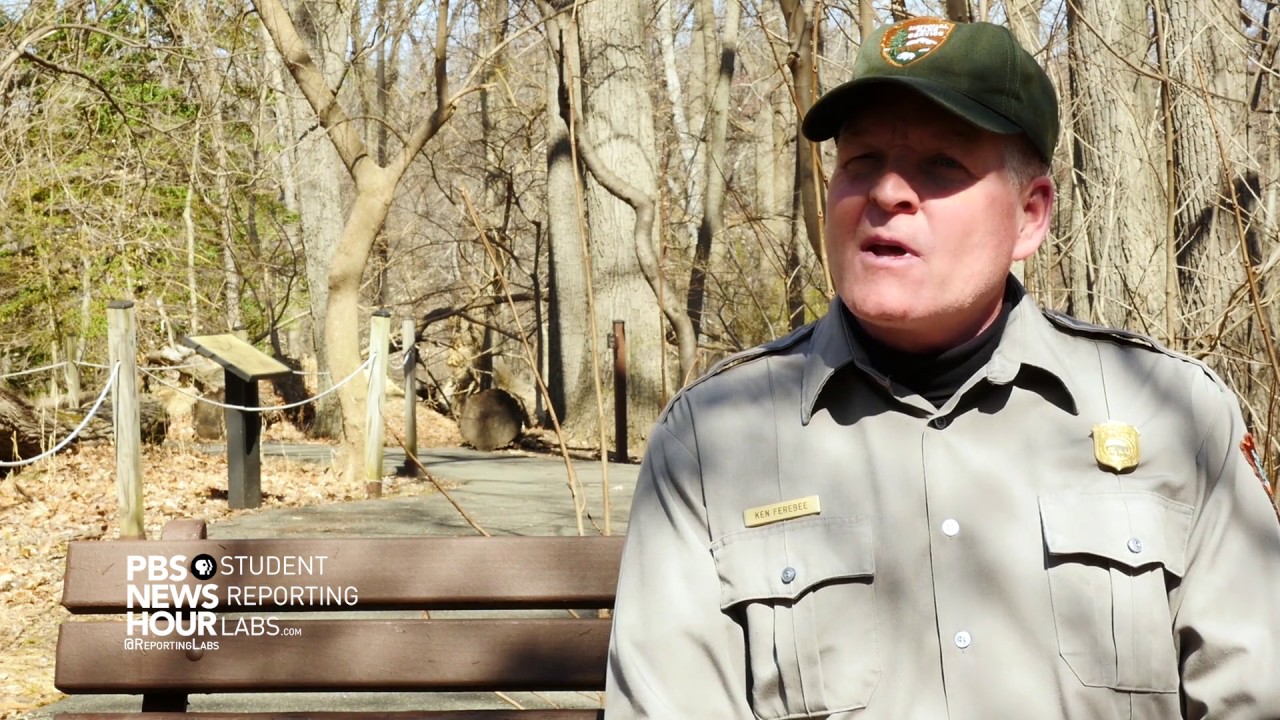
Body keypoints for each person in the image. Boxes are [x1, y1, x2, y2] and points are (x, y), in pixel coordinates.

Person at [605, 16, 1280, 720]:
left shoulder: (1174, 417)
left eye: (942, 166)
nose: (888, 193)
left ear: (1031, 216)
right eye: (861, 160)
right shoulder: (715, 441)